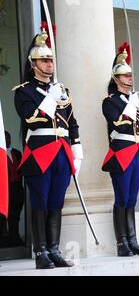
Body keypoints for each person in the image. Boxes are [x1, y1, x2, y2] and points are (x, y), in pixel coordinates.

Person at [13, 25, 83, 269]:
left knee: (56, 202)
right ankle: (40, 251)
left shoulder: (61, 91)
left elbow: (72, 122)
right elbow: (32, 118)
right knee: (40, 202)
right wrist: (50, 99)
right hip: (40, 151)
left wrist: (77, 149)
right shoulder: (24, 92)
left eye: (51, 59)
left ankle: (54, 249)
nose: (49, 64)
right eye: (44, 60)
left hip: (62, 151)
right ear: (33, 64)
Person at [102, 42, 139, 257]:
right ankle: (122, 242)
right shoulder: (110, 101)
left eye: (130, 75)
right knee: (122, 197)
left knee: (132, 199)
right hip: (121, 151)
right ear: (116, 79)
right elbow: (118, 123)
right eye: (125, 75)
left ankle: (133, 240)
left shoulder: (136, 100)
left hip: (136, 152)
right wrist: (132, 105)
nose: (130, 78)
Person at [5, 131, 25, 246]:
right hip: (6, 189)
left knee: (15, 216)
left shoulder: (17, 153)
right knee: (5, 216)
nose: (7, 140)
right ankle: (6, 240)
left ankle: (15, 238)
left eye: (9, 137)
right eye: (5, 137)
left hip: (17, 188)